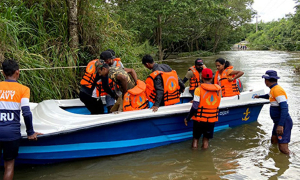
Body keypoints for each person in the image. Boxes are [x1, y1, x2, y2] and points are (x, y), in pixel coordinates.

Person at [0, 59, 42, 180]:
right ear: (17, 72)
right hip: (11, 134)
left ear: (3, 73)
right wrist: (30, 132)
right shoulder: (23, 89)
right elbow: (26, 112)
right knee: (8, 166)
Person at [254, 70, 293, 154]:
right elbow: (269, 96)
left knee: (283, 149)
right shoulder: (273, 89)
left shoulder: (278, 90)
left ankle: (292, 160)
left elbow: (284, 108)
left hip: (283, 122)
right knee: (274, 141)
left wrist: (281, 125)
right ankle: (275, 158)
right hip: (277, 122)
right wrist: (259, 96)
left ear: (267, 80)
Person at [184, 68, 221, 149]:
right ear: (212, 78)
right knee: (206, 140)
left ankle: (194, 158)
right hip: (211, 119)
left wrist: (187, 118)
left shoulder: (198, 89)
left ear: (201, 78)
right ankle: (205, 159)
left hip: (199, 120)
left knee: (196, 139)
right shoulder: (218, 90)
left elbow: (195, 106)